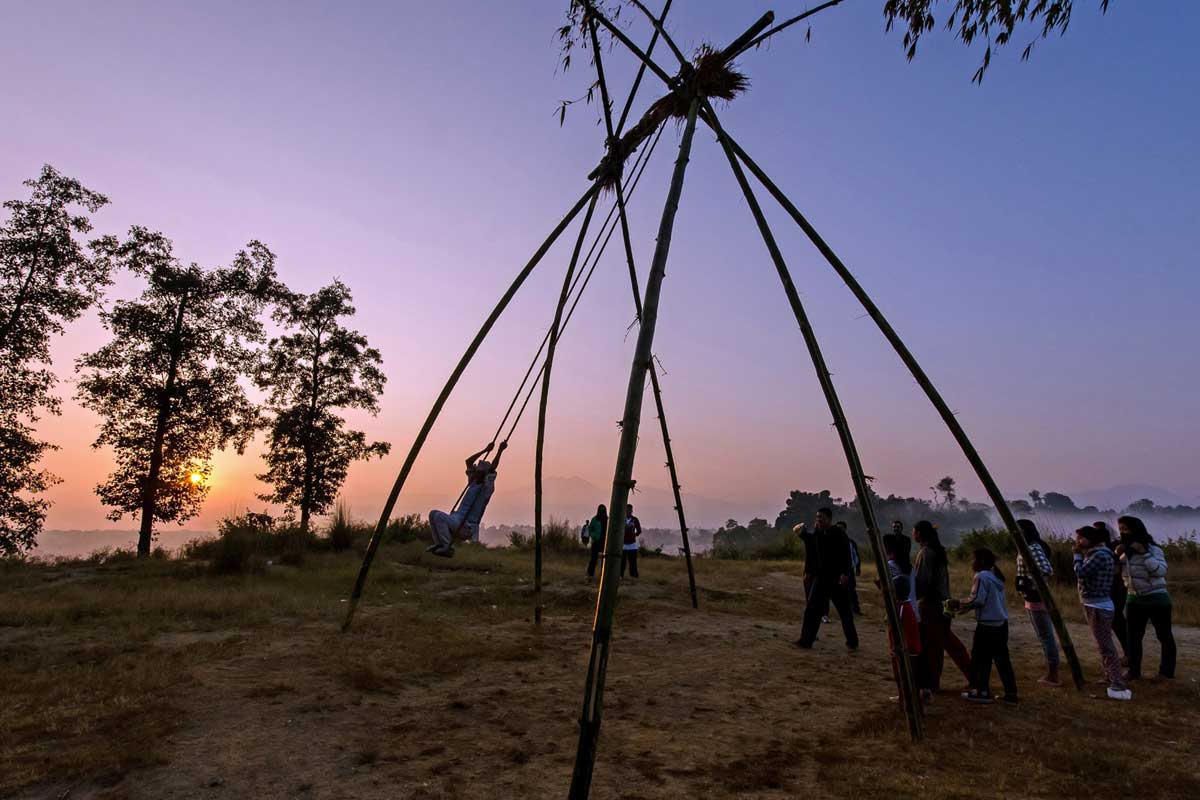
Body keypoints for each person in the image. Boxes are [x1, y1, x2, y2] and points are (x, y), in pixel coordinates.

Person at [950, 547, 1017, 705]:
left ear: (980, 561)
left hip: (987, 625)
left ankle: (981, 691)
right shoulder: (996, 577)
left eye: (973, 560)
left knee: (980, 659)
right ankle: (1011, 693)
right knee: (1002, 659)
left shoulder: (981, 577)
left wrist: (958, 603)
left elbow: (977, 600)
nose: (971, 563)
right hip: (1001, 624)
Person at [1073, 526, 1132, 700]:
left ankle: (1117, 684)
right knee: (1104, 645)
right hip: (1096, 604)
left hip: (1098, 606)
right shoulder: (1098, 553)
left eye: (1080, 538)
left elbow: (1081, 572)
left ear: (1090, 539)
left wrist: (1076, 555)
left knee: (1106, 647)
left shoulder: (1099, 555)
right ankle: (1110, 677)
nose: (1077, 542)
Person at [912, 520, 972, 691]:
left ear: (920, 534)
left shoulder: (926, 553)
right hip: (943, 604)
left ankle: (932, 683)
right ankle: (973, 676)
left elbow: (922, 582)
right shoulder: (938, 552)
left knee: (933, 647)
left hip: (931, 605)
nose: (913, 534)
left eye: (914, 531)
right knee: (946, 642)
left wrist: (911, 597)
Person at [1117, 515, 1176, 681]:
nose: (1123, 533)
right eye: (1120, 530)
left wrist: (1144, 554)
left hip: (1157, 599)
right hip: (1134, 599)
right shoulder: (1125, 553)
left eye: (1126, 529)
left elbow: (1160, 571)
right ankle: (1134, 671)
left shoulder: (1154, 550)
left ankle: (1166, 672)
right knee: (1133, 638)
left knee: (1164, 636)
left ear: (1136, 530)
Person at [796, 508, 859, 651]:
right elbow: (813, 553)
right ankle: (806, 641)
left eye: (821, 517)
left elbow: (846, 555)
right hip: (821, 578)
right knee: (812, 609)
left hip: (836, 578)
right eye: (817, 517)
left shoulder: (838, 533)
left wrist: (845, 573)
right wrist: (809, 572)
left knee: (844, 611)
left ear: (829, 519)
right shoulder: (818, 533)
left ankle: (852, 641)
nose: (818, 520)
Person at [427, 443, 503, 557]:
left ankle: (447, 547)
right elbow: (468, 461)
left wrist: (500, 450)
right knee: (433, 514)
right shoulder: (473, 482)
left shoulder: (486, 489)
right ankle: (440, 544)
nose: (476, 468)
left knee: (438, 517)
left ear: (483, 473)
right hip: (457, 520)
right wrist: (485, 450)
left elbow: (492, 468)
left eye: (479, 468)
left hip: (466, 526)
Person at [882, 532, 931, 705]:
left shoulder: (890, 566)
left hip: (901, 614)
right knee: (916, 660)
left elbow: (891, 589)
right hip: (913, 611)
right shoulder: (908, 566)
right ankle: (922, 690)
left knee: (901, 660)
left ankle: (907, 696)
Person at [1014, 518, 1061, 686]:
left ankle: (1053, 674)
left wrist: (1029, 581)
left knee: (1046, 636)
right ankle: (1052, 669)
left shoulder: (1032, 548)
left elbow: (1046, 569)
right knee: (1044, 636)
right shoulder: (1026, 547)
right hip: (1031, 596)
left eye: (1018, 530)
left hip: (1036, 596)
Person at [1093, 521, 1129, 657]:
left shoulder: (1115, 547)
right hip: (1109, 588)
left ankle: (1128, 652)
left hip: (1117, 587)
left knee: (1117, 619)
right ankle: (1127, 652)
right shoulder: (1100, 548)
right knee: (1114, 621)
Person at [837, 520, 863, 616]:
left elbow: (856, 556)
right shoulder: (832, 541)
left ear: (845, 529)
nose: (839, 530)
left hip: (849, 569)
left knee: (851, 589)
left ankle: (855, 609)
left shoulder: (850, 542)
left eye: (841, 528)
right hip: (836, 570)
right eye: (838, 528)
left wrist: (858, 568)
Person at [585, 504, 608, 581]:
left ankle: (604, 575)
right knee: (593, 559)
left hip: (605, 542)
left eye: (603, 510)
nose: (602, 511)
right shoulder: (595, 519)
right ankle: (590, 574)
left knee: (605, 560)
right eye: (600, 510)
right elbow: (590, 529)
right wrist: (594, 536)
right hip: (596, 542)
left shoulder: (608, 520)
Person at [621, 504, 642, 579]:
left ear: (631, 510)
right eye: (627, 509)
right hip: (622, 544)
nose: (628, 511)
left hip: (632, 545)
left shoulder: (635, 519)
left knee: (632, 562)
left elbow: (639, 530)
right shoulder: (621, 519)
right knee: (622, 562)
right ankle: (620, 576)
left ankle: (633, 576)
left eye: (629, 510)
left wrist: (634, 535)